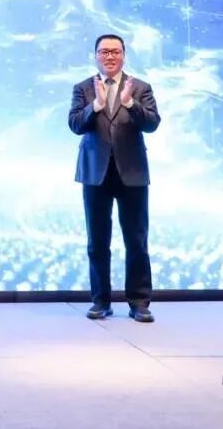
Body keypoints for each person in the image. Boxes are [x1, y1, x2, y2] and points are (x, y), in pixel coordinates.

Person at [69, 34, 161, 323]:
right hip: (95, 173)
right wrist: (95, 105)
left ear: (123, 55)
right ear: (95, 55)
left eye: (115, 51)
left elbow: (152, 123)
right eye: (104, 51)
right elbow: (75, 124)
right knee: (97, 241)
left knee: (137, 240)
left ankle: (139, 302)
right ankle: (100, 301)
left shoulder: (140, 87)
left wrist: (130, 103)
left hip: (132, 172)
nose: (109, 56)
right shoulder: (83, 88)